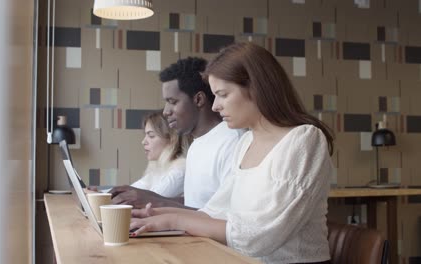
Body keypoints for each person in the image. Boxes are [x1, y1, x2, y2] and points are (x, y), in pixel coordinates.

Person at [129, 42, 334, 264]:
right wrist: (157, 216)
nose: (215, 105)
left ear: (256, 89)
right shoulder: (246, 141)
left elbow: (258, 237)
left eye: (222, 94)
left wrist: (174, 221)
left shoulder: (304, 139)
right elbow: (215, 211)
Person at [109, 57, 243, 209]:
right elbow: (197, 204)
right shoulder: (197, 144)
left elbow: (228, 217)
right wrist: (146, 197)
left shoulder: (232, 141)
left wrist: (155, 202)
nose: (166, 111)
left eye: (172, 102)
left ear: (198, 99)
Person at [130, 111, 190, 197]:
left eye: (151, 136)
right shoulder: (157, 168)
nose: (143, 142)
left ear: (171, 139)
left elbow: (150, 199)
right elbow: (131, 190)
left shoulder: (180, 170)